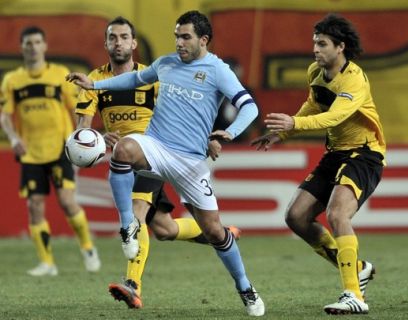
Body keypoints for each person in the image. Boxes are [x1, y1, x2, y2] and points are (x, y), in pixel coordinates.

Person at [67, 11, 264, 316]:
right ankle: (127, 227)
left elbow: (249, 106)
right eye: (176, 36)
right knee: (123, 149)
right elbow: (134, 78)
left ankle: (245, 287)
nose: (179, 43)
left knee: (211, 231)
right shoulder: (167, 63)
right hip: (156, 145)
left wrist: (227, 133)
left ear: (203, 40)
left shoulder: (217, 69)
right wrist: (94, 85)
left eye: (185, 37)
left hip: (190, 161)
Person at [251, 14, 385, 315]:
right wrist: (282, 132)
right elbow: (314, 103)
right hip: (336, 152)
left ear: (340, 47)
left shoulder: (354, 78)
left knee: (338, 214)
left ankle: (354, 295)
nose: (316, 49)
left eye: (322, 44)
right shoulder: (316, 71)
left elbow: (335, 116)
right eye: (314, 42)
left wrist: (294, 122)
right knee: (296, 217)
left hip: (364, 153)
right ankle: (358, 268)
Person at [0, 26, 101, 276]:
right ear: (21, 47)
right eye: (28, 43)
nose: (32, 47)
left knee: (67, 203)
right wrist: (13, 139)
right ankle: (47, 263)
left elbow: (78, 105)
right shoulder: (12, 80)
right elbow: (5, 115)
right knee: (34, 205)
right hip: (31, 152)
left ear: (44, 46)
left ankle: (88, 248)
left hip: (58, 150)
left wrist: (78, 137)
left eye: (37, 42)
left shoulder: (60, 75)